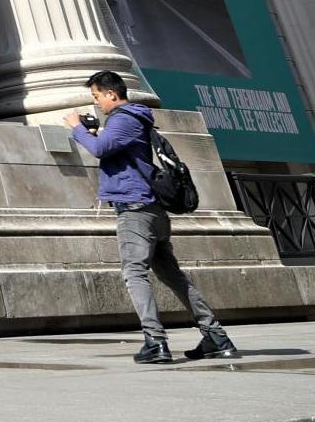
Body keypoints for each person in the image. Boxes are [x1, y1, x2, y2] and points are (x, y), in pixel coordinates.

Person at [63, 68, 237, 364]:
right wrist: (94, 133)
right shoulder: (132, 120)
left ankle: (155, 341)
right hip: (150, 209)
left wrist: (77, 128)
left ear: (111, 93)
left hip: (135, 209)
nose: (97, 105)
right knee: (172, 275)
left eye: (97, 97)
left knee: (134, 273)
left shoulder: (124, 117)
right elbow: (113, 150)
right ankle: (215, 337)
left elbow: (101, 149)